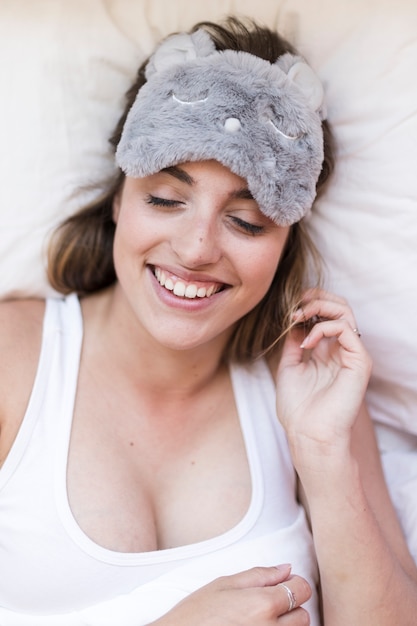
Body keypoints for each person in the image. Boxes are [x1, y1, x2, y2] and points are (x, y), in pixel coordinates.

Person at [0, 15, 416, 626]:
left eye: (247, 221)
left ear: (285, 245)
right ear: (120, 198)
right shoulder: (13, 359)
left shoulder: (309, 385)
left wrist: (322, 455)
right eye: (166, 199)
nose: (197, 249)